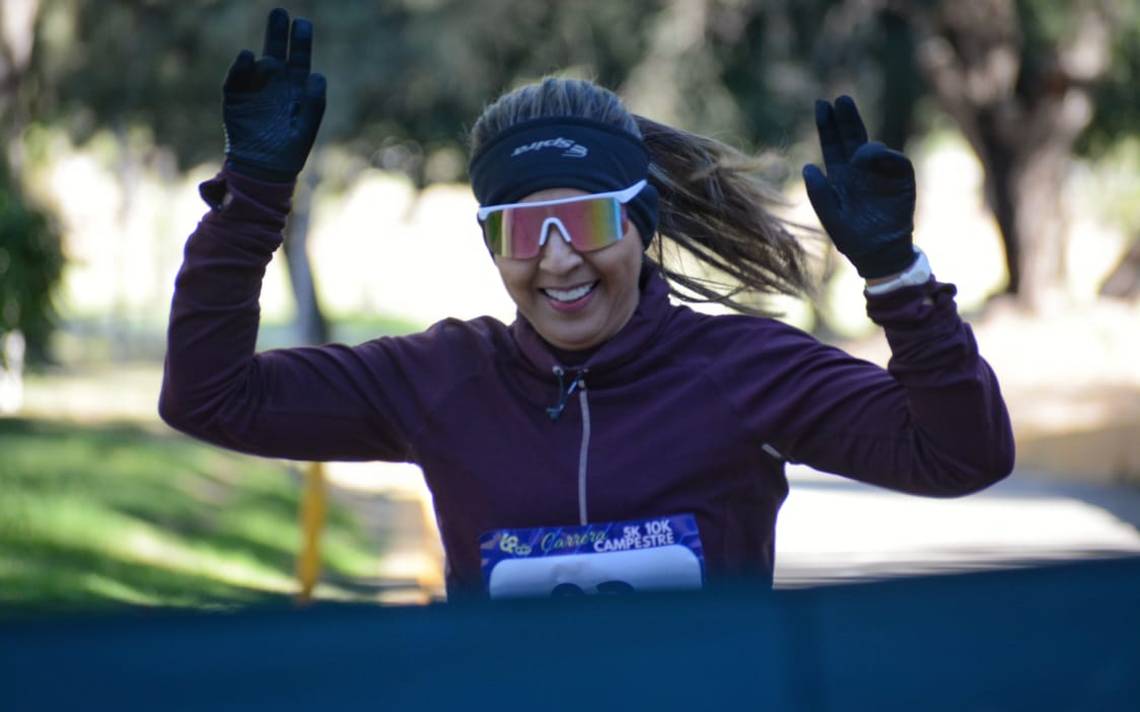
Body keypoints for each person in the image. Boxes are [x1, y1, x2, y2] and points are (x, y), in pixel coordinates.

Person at [159, 9, 1014, 600]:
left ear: (641, 226)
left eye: (588, 220)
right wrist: (256, 195)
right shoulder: (441, 379)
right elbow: (208, 397)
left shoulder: (742, 370)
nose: (557, 258)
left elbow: (961, 456)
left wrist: (899, 278)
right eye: (522, 230)